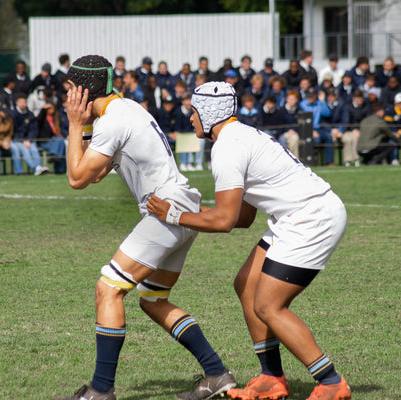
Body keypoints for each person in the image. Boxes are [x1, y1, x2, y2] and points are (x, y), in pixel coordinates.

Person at [147, 81, 352, 400]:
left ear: (208, 112)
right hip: (297, 215)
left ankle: (330, 382)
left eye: (194, 111)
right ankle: (271, 377)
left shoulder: (227, 147)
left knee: (269, 306)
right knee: (246, 283)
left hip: (311, 218)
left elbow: (225, 221)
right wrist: (194, 211)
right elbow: (242, 218)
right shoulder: (239, 135)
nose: (190, 119)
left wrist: (173, 215)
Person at [52, 55, 236, 400]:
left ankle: (100, 391)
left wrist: (75, 125)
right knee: (153, 300)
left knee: (108, 289)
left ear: (84, 91)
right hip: (180, 206)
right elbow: (96, 172)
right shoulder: (125, 109)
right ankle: (217, 374)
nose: (67, 100)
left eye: (70, 91)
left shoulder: (114, 120)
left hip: (165, 211)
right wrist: (86, 124)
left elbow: (77, 179)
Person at [9, 93, 49, 176]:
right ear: (17, 103)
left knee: (34, 148)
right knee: (25, 150)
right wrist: (22, 140)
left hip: (28, 140)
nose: (23, 104)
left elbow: (33, 129)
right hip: (16, 140)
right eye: (21, 102)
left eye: (24, 102)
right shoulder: (12, 114)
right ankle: (34, 168)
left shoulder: (30, 114)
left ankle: (38, 167)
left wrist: (28, 139)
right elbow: (12, 130)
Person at [299, 87, 334, 165]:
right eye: (309, 96)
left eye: (312, 96)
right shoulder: (302, 104)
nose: (311, 98)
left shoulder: (319, 103)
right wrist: (311, 130)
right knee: (316, 140)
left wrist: (322, 101)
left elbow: (327, 113)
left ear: (315, 96)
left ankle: (329, 162)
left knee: (328, 137)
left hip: (318, 129)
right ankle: (313, 161)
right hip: (306, 129)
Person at [36, 101, 66, 174]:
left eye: (50, 108)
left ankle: (54, 156)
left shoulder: (56, 118)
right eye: (47, 109)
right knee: (60, 144)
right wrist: (43, 110)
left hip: (55, 140)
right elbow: (38, 121)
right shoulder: (43, 118)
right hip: (45, 141)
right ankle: (59, 169)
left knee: (60, 141)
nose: (49, 110)